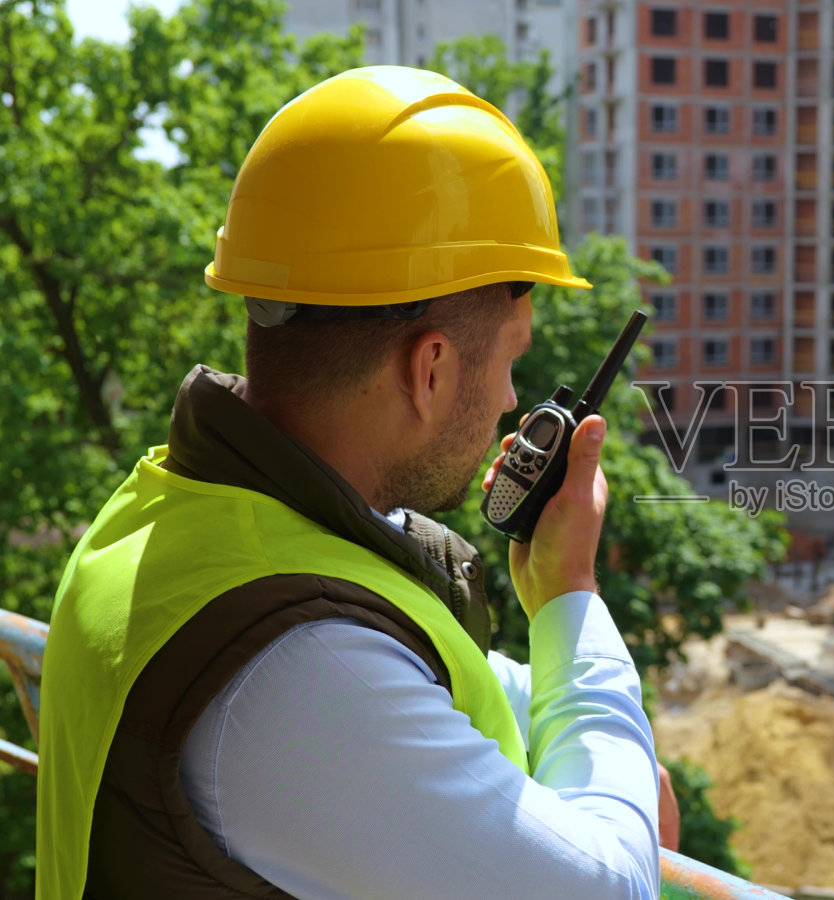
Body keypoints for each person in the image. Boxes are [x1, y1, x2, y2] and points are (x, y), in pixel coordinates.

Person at [37, 67, 674, 899]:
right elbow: (611, 886)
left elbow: (451, 686)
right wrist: (568, 597)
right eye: (512, 358)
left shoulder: (169, 518)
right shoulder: (301, 668)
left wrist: (566, 687)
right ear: (431, 368)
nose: (515, 401)